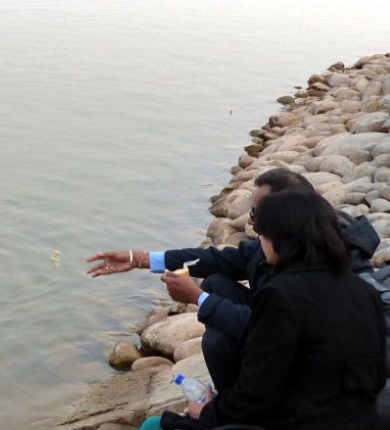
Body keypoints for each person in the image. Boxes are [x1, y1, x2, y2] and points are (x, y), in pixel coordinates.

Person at [58, 190, 388, 430]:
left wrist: (210, 410)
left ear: (282, 239)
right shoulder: (360, 290)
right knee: (181, 429)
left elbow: (256, 395)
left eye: (262, 233)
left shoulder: (283, 297)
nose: (259, 240)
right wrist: (142, 258)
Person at [86, 168, 379, 392]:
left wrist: (198, 299)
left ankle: (236, 402)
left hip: (309, 368)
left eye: (257, 213)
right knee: (216, 281)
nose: (250, 222)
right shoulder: (290, 242)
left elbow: (271, 328)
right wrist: (140, 259)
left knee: (216, 340)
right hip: (280, 337)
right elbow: (221, 259)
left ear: (285, 213)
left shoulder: (323, 266)